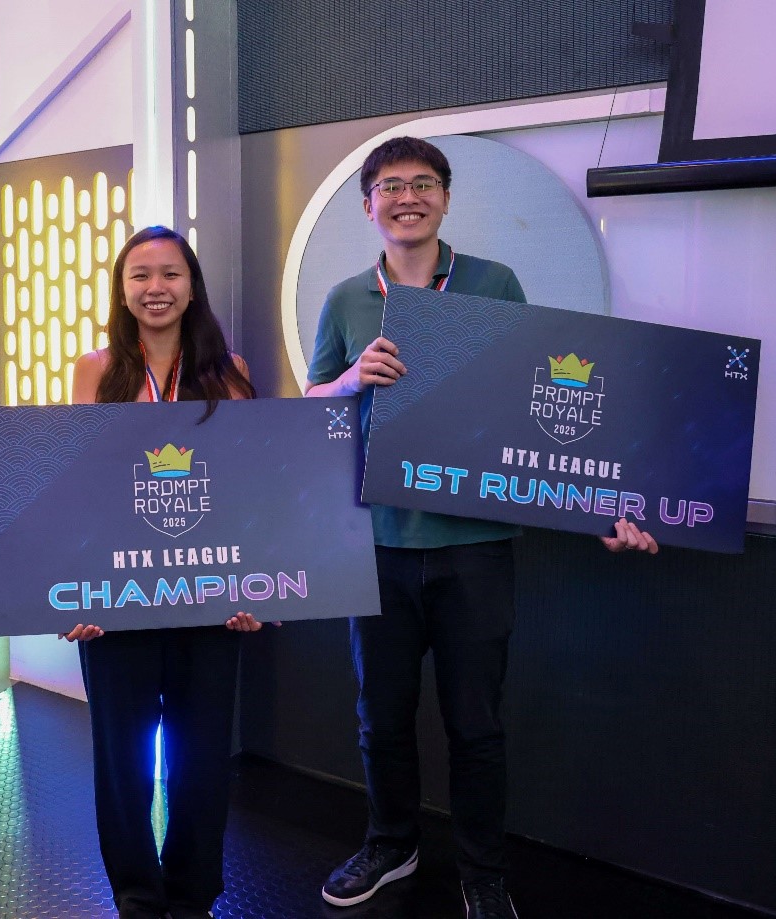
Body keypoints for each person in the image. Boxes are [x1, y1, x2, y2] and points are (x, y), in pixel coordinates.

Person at [305, 137, 657, 919]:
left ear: (444, 198)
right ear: (368, 205)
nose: (406, 197)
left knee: (476, 723)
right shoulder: (342, 299)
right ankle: (390, 844)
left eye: (422, 183)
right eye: (390, 186)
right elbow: (306, 413)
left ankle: (482, 871)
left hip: (473, 546)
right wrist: (346, 379)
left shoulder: (494, 283)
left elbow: (538, 406)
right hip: (376, 545)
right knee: (380, 717)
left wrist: (598, 507)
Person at [66, 225, 261, 919]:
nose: (155, 288)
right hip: (116, 600)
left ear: (191, 284)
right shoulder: (95, 369)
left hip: (208, 599)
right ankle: (137, 898)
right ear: (121, 289)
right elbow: (79, 485)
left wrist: (251, 588)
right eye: (140, 275)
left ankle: (191, 896)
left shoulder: (227, 370)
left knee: (201, 758)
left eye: (170, 274)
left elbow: (248, 489)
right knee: (120, 763)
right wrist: (81, 588)